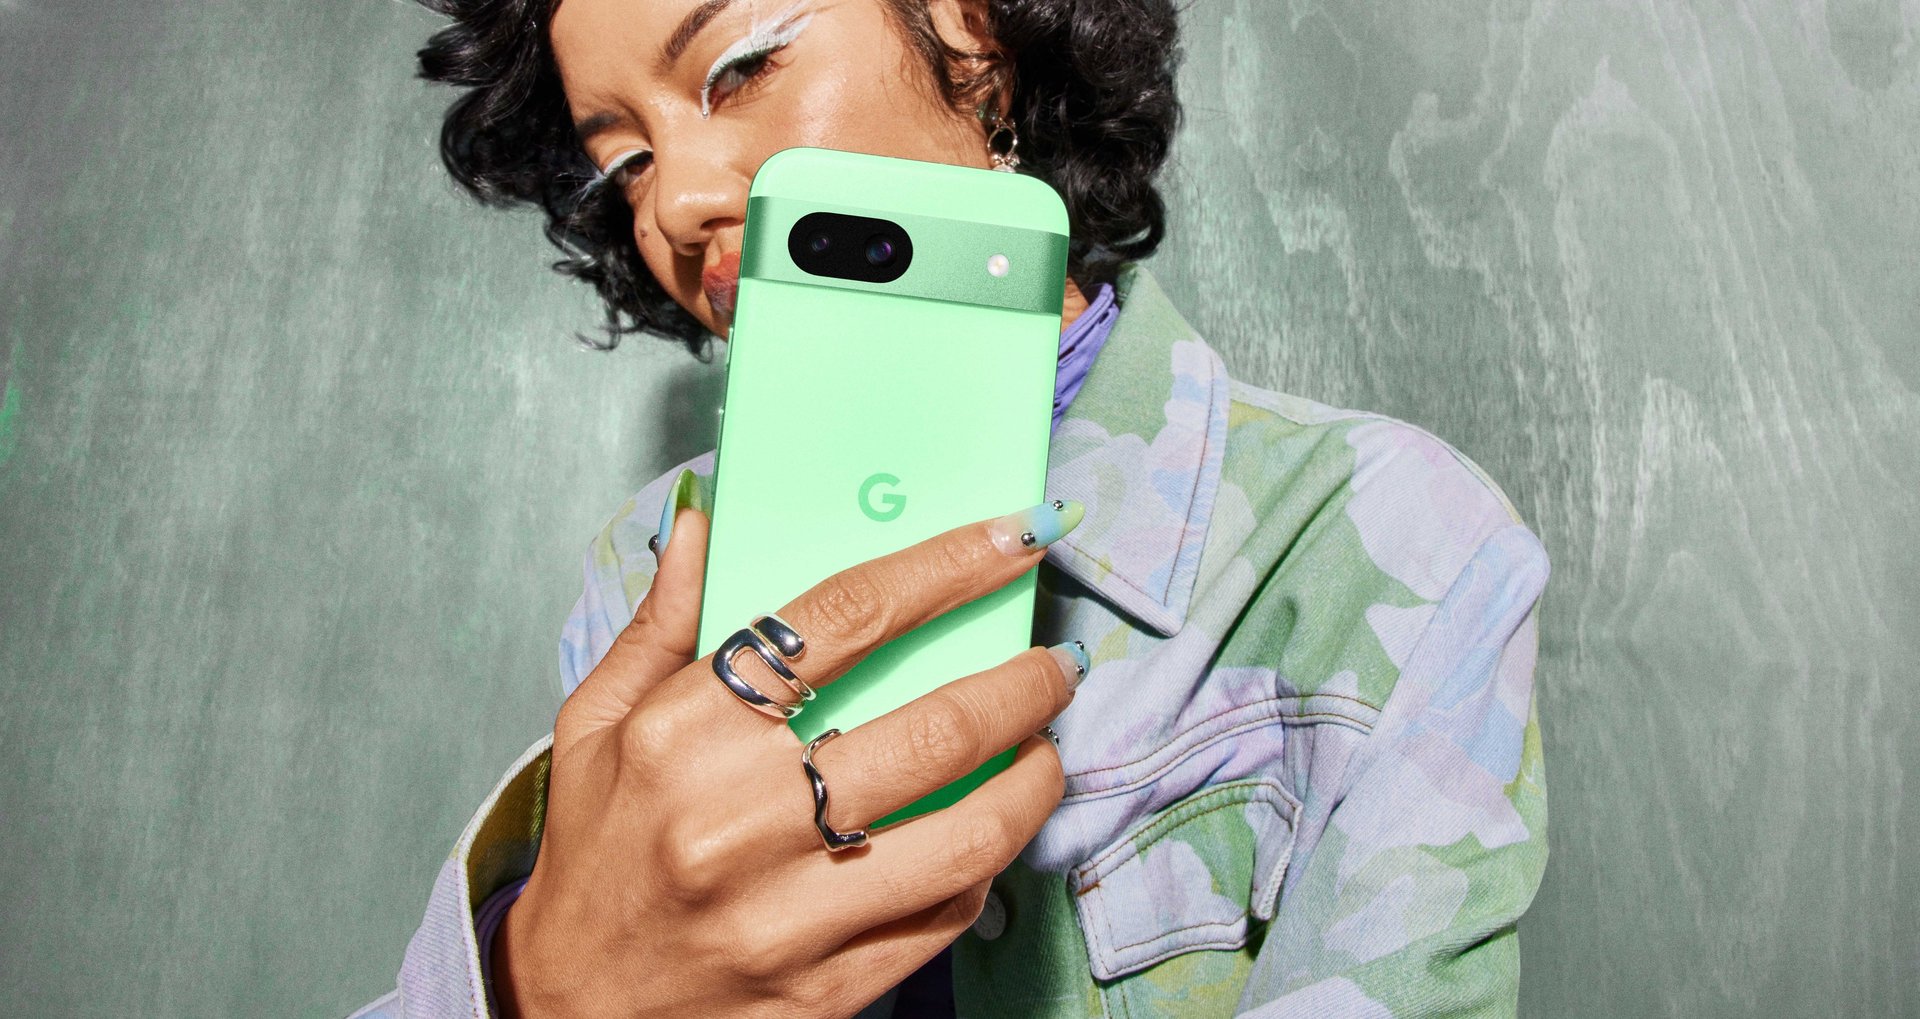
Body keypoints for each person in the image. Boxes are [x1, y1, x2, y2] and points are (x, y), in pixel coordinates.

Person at [352, 0, 1551, 1015]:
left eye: (737, 67)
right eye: (625, 160)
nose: (673, 205)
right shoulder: (651, 566)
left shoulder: (1386, 539)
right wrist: (537, 977)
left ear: (975, 42)